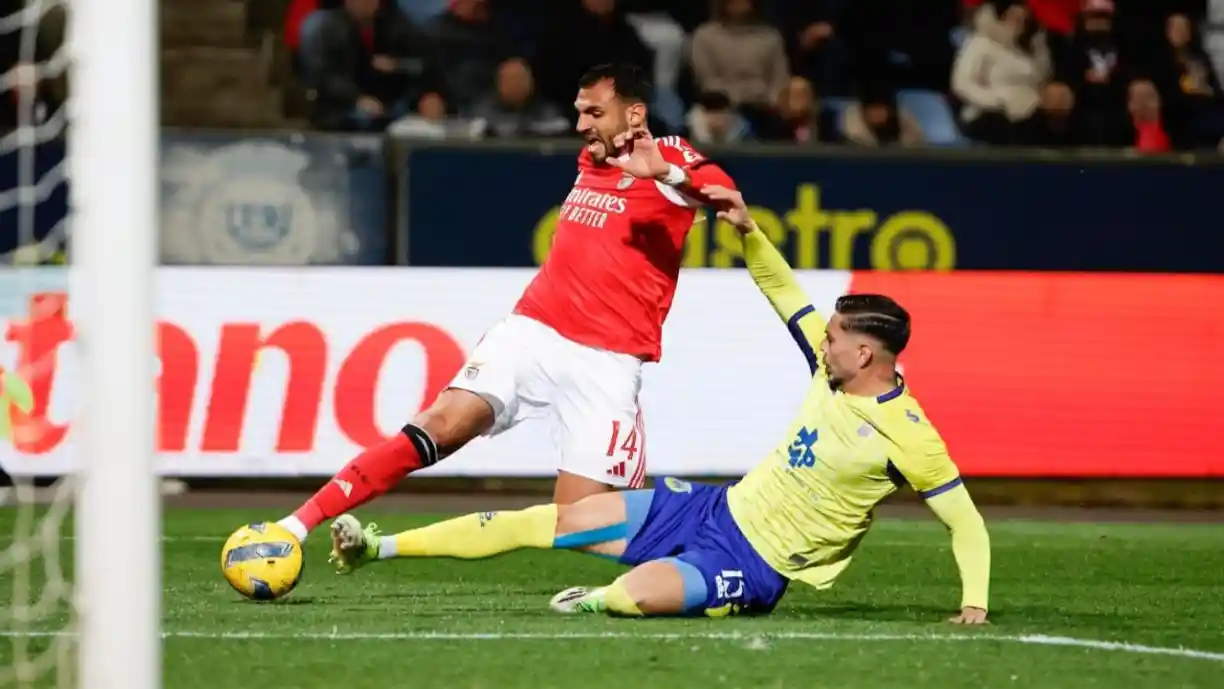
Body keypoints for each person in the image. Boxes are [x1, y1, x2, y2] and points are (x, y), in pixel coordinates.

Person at [326, 186, 993, 624]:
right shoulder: (830, 369)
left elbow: (965, 523)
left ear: (867, 354)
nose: (824, 340)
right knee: (555, 520)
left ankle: (605, 600)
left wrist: (974, 604)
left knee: (633, 596)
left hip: (754, 566)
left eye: (836, 337)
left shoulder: (909, 435)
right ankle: (378, 547)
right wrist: (748, 231)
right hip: (714, 508)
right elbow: (783, 290)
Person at [272, 63, 737, 560]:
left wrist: (666, 172)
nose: (582, 124)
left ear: (635, 114)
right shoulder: (592, 159)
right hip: (531, 331)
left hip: (605, 361)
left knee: (579, 525)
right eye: (579, 112)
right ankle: (293, 528)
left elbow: (723, 192)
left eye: (595, 113)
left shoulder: (666, 156)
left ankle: (710, 554)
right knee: (439, 425)